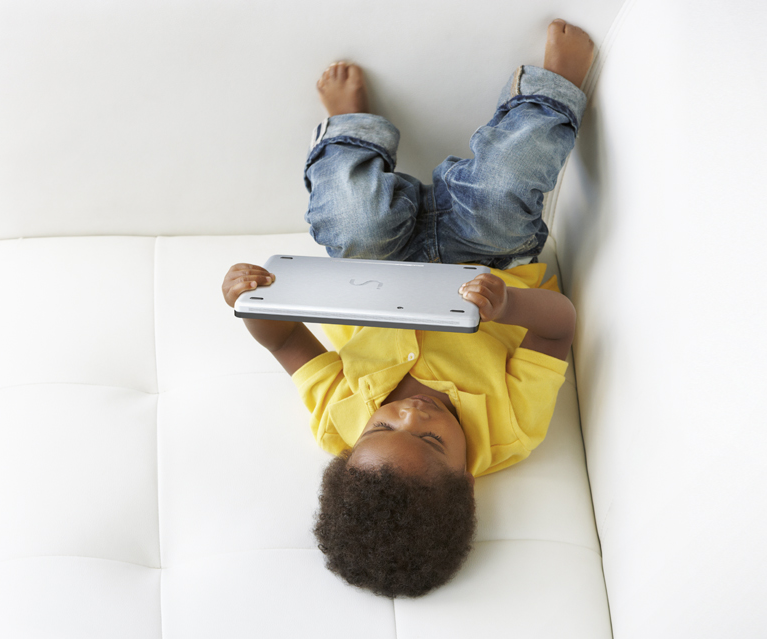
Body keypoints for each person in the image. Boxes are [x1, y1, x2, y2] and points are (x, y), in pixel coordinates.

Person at [217, 19, 593, 598]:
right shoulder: (511, 429)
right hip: (489, 258)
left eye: (382, 425)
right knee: (501, 188)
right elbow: (560, 328)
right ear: (466, 481)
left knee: (350, 215)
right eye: (430, 441)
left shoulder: (337, 423)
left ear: (353, 445)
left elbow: (287, 341)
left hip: (376, 267)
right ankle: (553, 88)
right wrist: (508, 304)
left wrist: (249, 298)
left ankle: (351, 126)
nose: (411, 414)